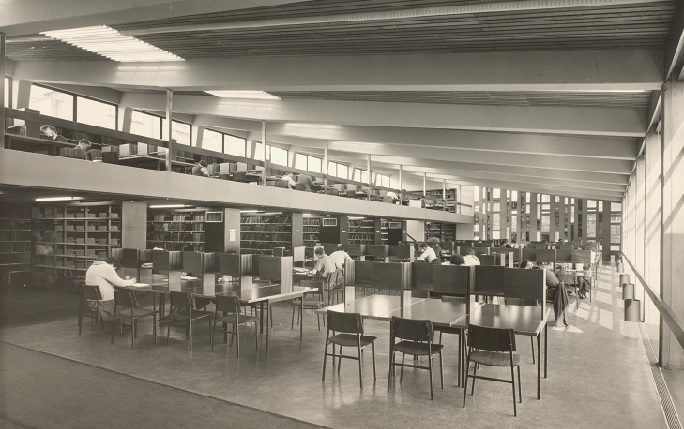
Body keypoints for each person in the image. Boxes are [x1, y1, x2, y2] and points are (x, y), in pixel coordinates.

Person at [84, 257, 136, 321]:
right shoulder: (107, 267)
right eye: (114, 269)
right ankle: (127, 323)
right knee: (128, 302)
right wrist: (132, 281)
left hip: (92, 302)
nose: (114, 270)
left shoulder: (91, 267)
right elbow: (120, 283)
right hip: (104, 303)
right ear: (112, 264)